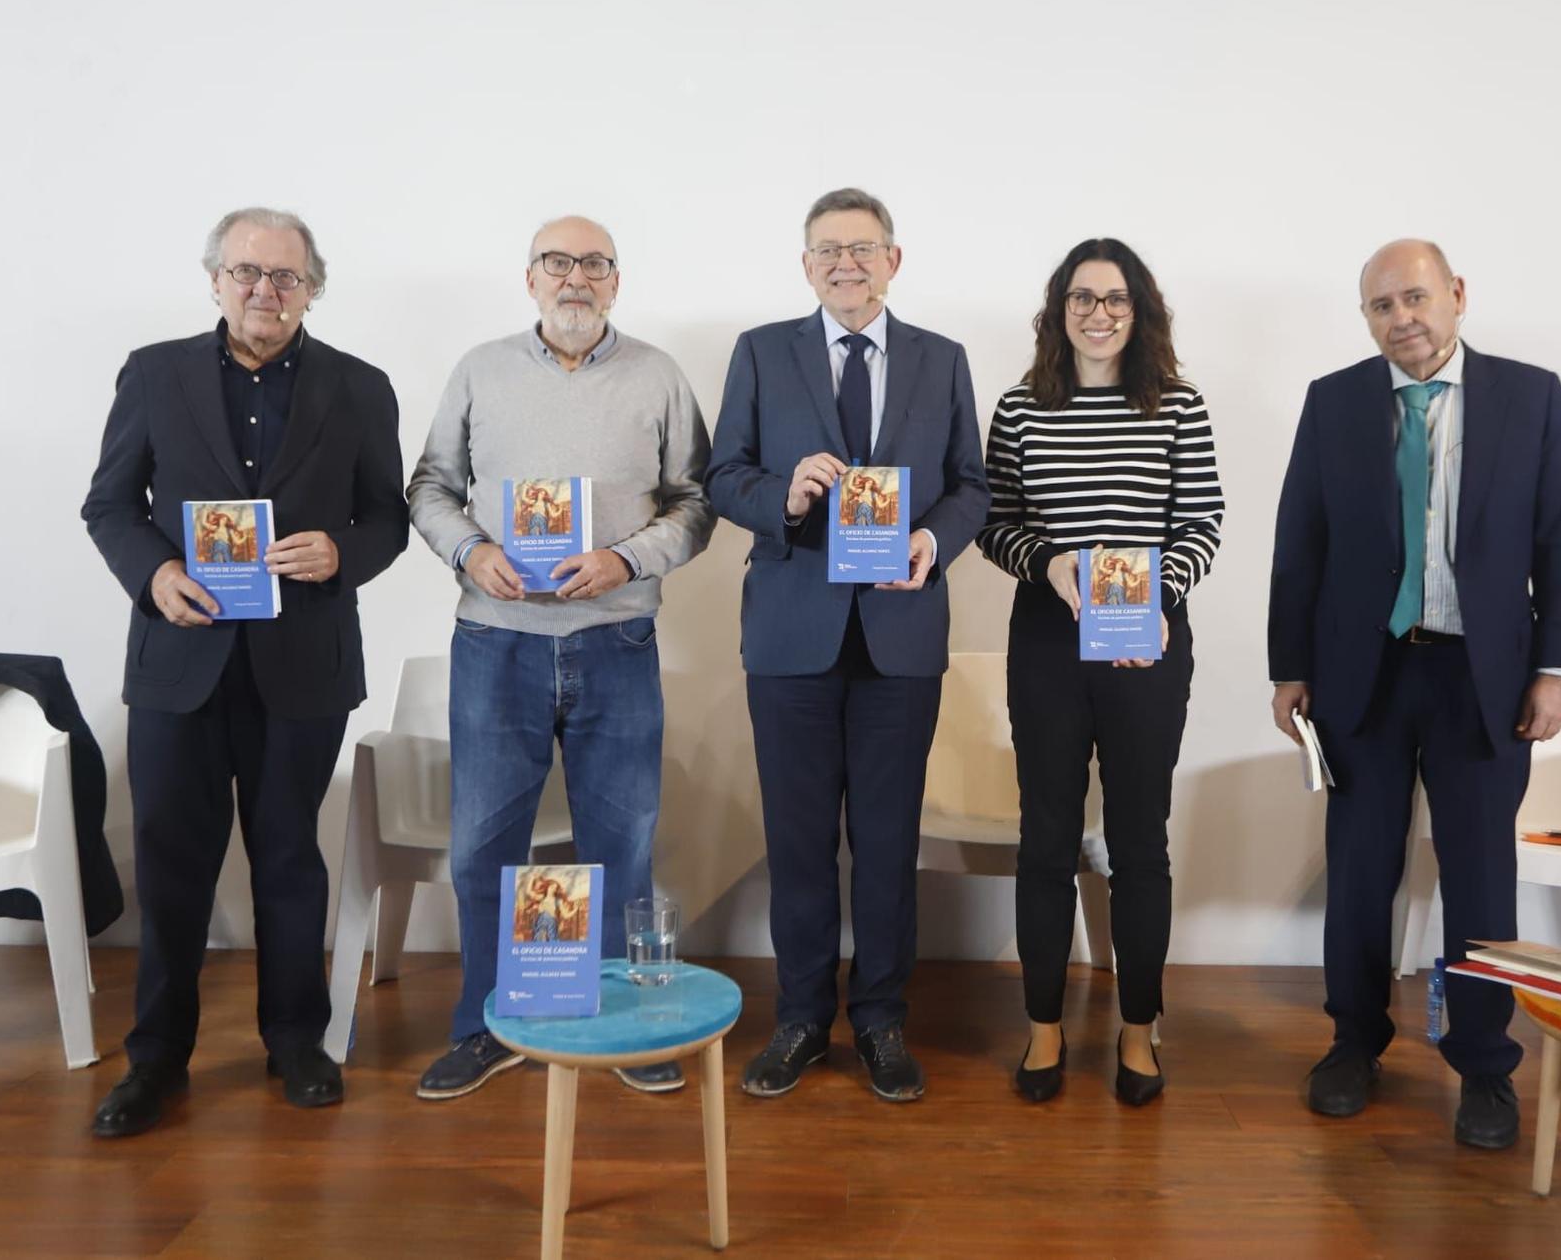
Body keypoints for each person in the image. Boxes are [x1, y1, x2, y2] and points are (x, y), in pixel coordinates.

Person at [81, 207, 408, 1137]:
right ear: (216, 279)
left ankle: (297, 1040)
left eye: (286, 277)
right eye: (248, 273)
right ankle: (155, 1060)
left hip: (301, 660)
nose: (266, 291)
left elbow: (386, 518)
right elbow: (109, 504)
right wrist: (157, 572)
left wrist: (339, 553)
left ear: (313, 288)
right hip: (180, 658)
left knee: (290, 859)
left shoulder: (359, 386)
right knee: (173, 863)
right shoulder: (155, 372)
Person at [1268, 239, 1561, 1150]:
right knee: (1362, 867)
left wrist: (1556, 668)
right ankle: (1353, 1042)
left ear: (1457, 295)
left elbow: (1560, 540)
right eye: (1380, 306)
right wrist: (1288, 667)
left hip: (1483, 677)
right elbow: (1301, 543)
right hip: (1362, 672)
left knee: (1481, 875)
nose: (1400, 318)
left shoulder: (1530, 397)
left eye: (1415, 297)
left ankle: (1486, 1063)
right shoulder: (1333, 402)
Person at [407, 215, 713, 1099]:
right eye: (557, 262)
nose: (574, 278)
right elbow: (429, 484)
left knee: (623, 842)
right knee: (482, 849)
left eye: (593, 264)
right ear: (530, 277)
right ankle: (484, 1026)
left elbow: (696, 502)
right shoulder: (480, 369)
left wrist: (626, 558)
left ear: (616, 281)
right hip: (495, 640)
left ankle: (619, 1025)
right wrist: (473, 552)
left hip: (617, 639)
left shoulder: (656, 375)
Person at [706, 187, 990, 1102]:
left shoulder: (941, 360)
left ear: (893, 260)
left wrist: (931, 540)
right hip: (792, 633)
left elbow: (971, 487)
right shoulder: (760, 351)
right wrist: (785, 496)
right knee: (796, 839)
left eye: (863, 249)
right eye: (828, 249)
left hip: (900, 633)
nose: (846, 264)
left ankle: (880, 1019)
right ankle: (798, 1019)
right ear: (805, 264)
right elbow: (721, 477)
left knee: (885, 838)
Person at [975, 238, 1224, 1106]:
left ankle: (1138, 1030)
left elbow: (1203, 522)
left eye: (1115, 298)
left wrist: (1164, 595)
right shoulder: (1019, 409)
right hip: (1048, 636)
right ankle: (1043, 1024)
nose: (1098, 313)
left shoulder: (1179, 406)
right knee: (1044, 835)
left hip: (1146, 636)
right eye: (1082, 298)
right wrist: (1046, 563)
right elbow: (992, 520)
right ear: (1059, 310)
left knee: (1138, 840)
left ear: (1140, 310)